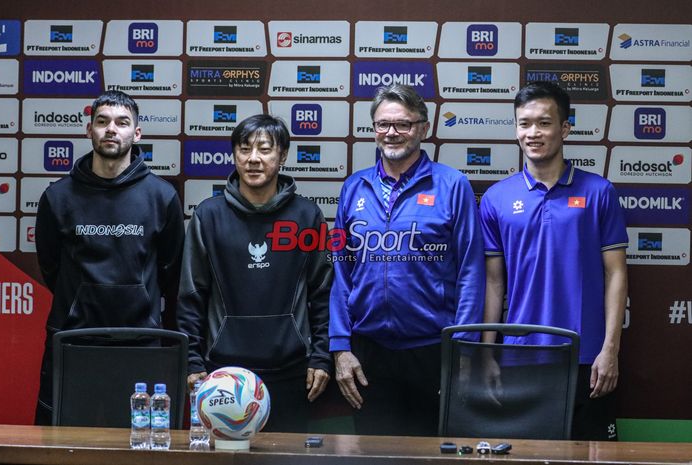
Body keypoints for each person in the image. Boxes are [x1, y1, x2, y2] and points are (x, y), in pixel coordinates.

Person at [329, 84, 485, 436]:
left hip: (433, 351)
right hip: (369, 353)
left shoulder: (452, 185)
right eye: (383, 124)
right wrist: (340, 348)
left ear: (423, 129)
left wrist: (463, 348)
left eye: (403, 124)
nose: (392, 133)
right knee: (374, 458)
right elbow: (340, 270)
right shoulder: (354, 187)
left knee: (434, 458)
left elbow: (471, 272)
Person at [479, 81, 628, 440]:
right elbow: (494, 283)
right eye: (524, 123)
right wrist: (486, 354)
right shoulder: (496, 198)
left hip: (586, 357)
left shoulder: (599, 192)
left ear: (564, 128)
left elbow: (616, 274)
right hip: (520, 355)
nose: (533, 133)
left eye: (544, 123)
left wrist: (609, 350)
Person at [34, 90, 185, 425]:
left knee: (138, 446)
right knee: (62, 445)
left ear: (137, 133)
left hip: (140, 342)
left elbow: (170, 270)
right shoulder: (58, 197)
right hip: (73, 341)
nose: (111, 130)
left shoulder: (161, 196)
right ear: (90, 131)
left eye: (122, 122)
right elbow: (50, 266)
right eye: (102, 122)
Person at [177, 114, 332, 433]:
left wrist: (321, 356)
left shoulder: (307, 216)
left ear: (283, 155)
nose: (254, 159)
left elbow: (324, 293)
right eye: (245, 149)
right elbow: (191, 295)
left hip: (293, 372)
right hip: (222, 373)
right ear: (234, 155)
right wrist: (192, 361)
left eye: (265, 149)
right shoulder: (209, 215)